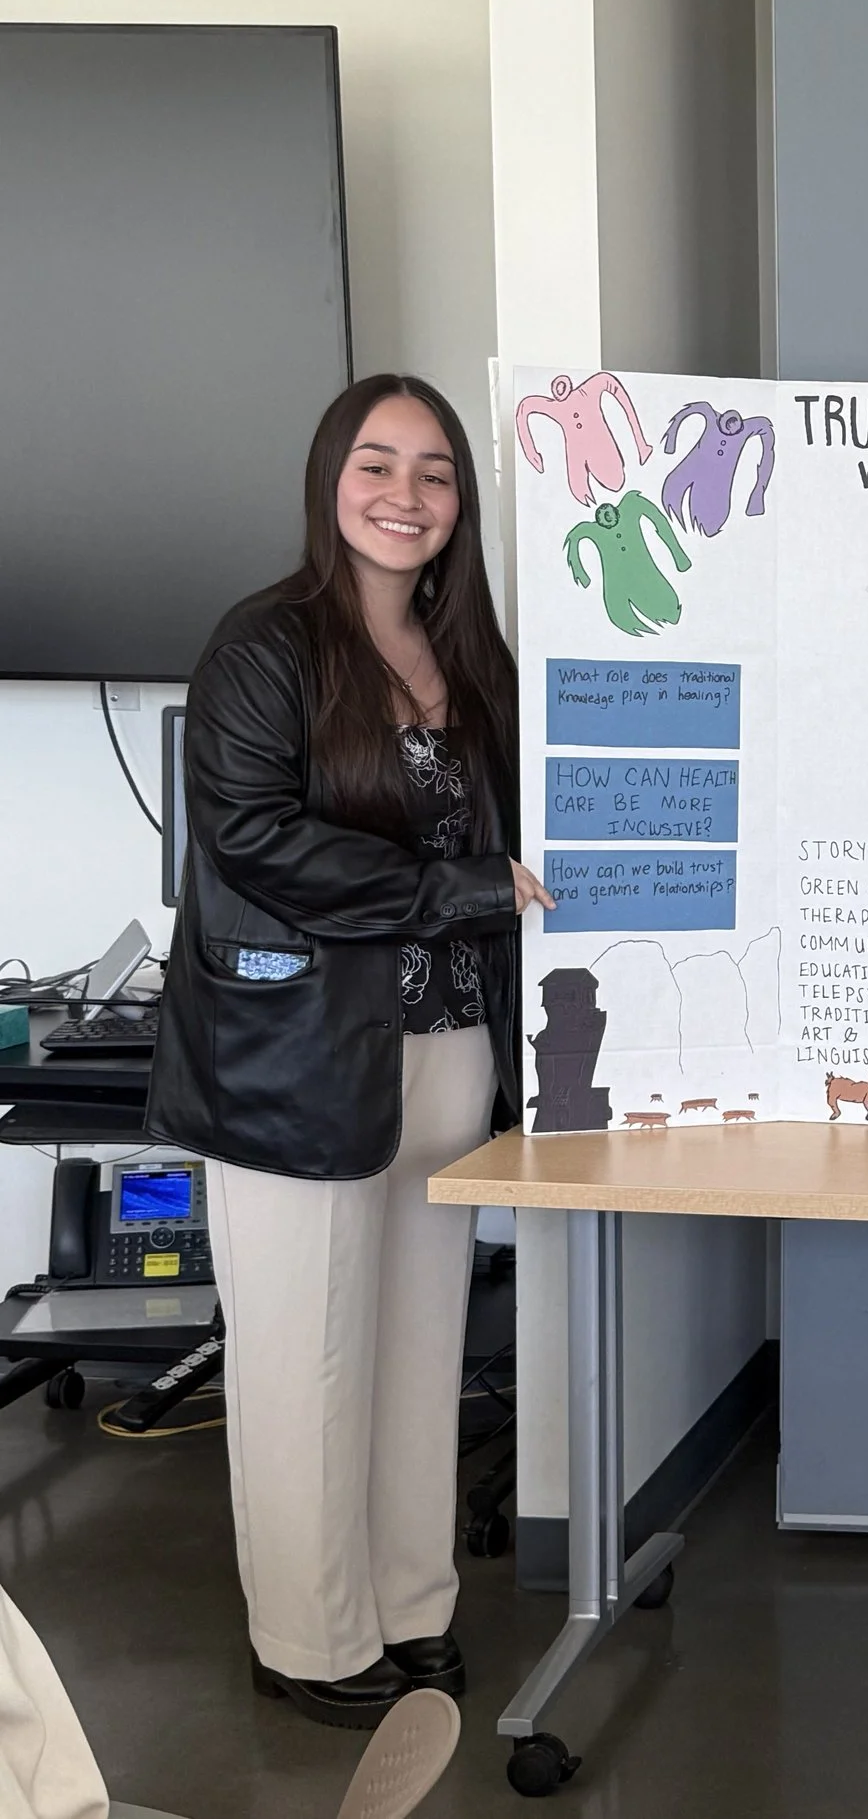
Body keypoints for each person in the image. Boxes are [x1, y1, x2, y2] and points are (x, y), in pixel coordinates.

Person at [147, 375, 554, 1728]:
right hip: (300, 1060)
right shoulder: (263, 645)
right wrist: (465, 889)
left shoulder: (472, 648)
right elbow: (254, 840)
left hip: (449, 1051)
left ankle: (408, 1603)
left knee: (419, 1345)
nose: (406, 494)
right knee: (303, 1355)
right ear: (331, 478)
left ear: (461, 502)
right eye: (377, 464)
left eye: (436, 472)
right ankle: (312, 1639)